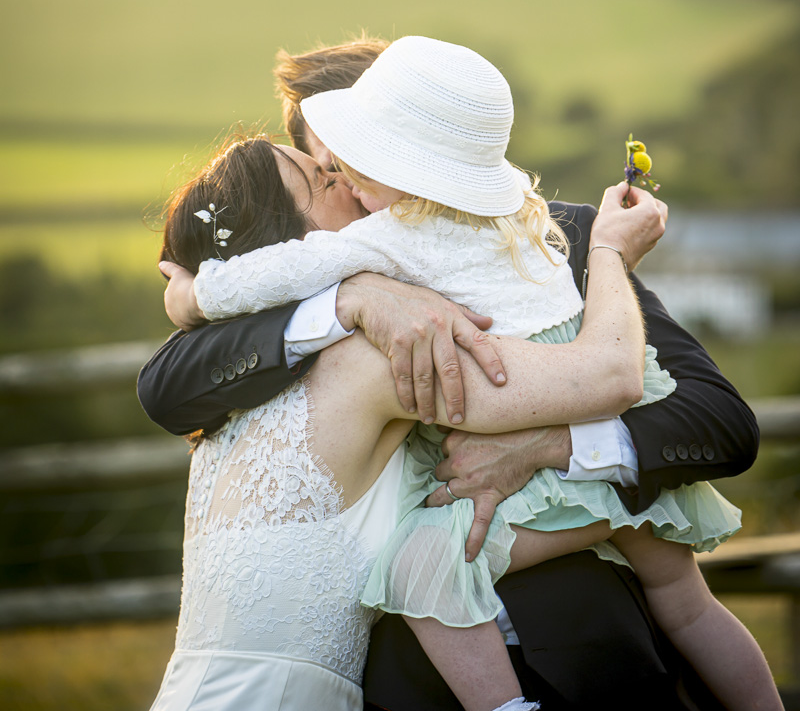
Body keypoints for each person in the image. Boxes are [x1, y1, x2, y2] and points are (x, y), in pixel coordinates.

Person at [138, 35, 761, 711]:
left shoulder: (558, 236)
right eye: (326, 167)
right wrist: (351, 299)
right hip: (396, 677)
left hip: (578, 646)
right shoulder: (341, 288)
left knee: (682, 603)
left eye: (348, 160)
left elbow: (719, 421)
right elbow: (167, 385)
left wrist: (552, 450)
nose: (345, 180)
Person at [145, 133, 651, 711]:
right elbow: (608, 373)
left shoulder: (234, 388)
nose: (347, 177)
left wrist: (196, 295)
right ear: (295, 245)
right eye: (325, 181)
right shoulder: (379, 357)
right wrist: (608, 252)